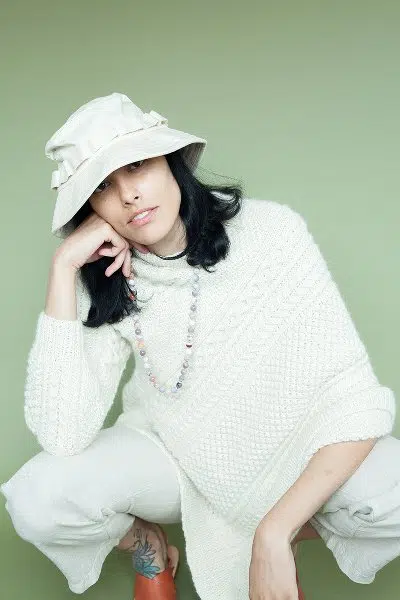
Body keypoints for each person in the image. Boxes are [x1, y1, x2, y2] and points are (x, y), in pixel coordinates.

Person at [1, 92, 399, 600]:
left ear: (170, 162)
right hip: (174, 461)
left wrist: (273, 532)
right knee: (38, 498)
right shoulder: (102, 276)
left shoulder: (272, 231)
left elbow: (356, 402)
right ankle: (149, 545)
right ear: (90, 209)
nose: (129, 196)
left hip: (296, 452)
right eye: (102, 186)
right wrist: (62, 271)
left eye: (137, 166)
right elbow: (61, 436)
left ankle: (276, 534)